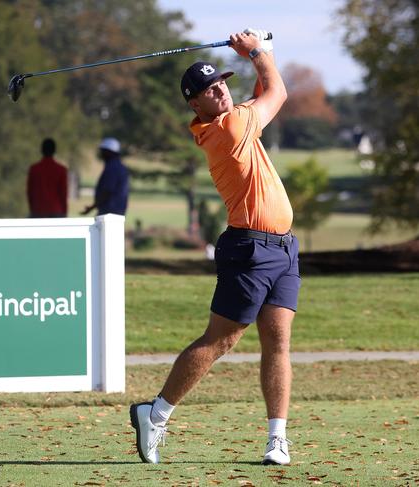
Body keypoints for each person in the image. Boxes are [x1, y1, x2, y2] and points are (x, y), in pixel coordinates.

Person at [130, 29, 299, 466]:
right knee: (221, 340)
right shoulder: (228, 128)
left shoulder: (236, 121)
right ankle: (156, 411)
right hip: (249, 249)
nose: (220, 90)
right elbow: (276, 91)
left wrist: (265, 53)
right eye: (209, 89)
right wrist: (258, 51)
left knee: (277, 343)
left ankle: (276, 439)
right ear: (196, 104)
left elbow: (263, 89)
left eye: (222, 82)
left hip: (282, 250)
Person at [81, 138, 129, 216]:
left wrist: (93, 206)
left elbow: (107, 191)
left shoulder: (113, 167)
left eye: (103, 151)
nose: (101, 153)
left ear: (109, 152)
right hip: (115, 210)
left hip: (110, 211)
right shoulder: (118, 166)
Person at [26, 138, 68, 217]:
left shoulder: (34, 169)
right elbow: (63, 193)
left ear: (42, 150)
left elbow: (30, 192)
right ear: (54, 151)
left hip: (37, 210)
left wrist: (32, 209)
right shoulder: (61, 170)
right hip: (56, 211)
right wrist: (64, 212)